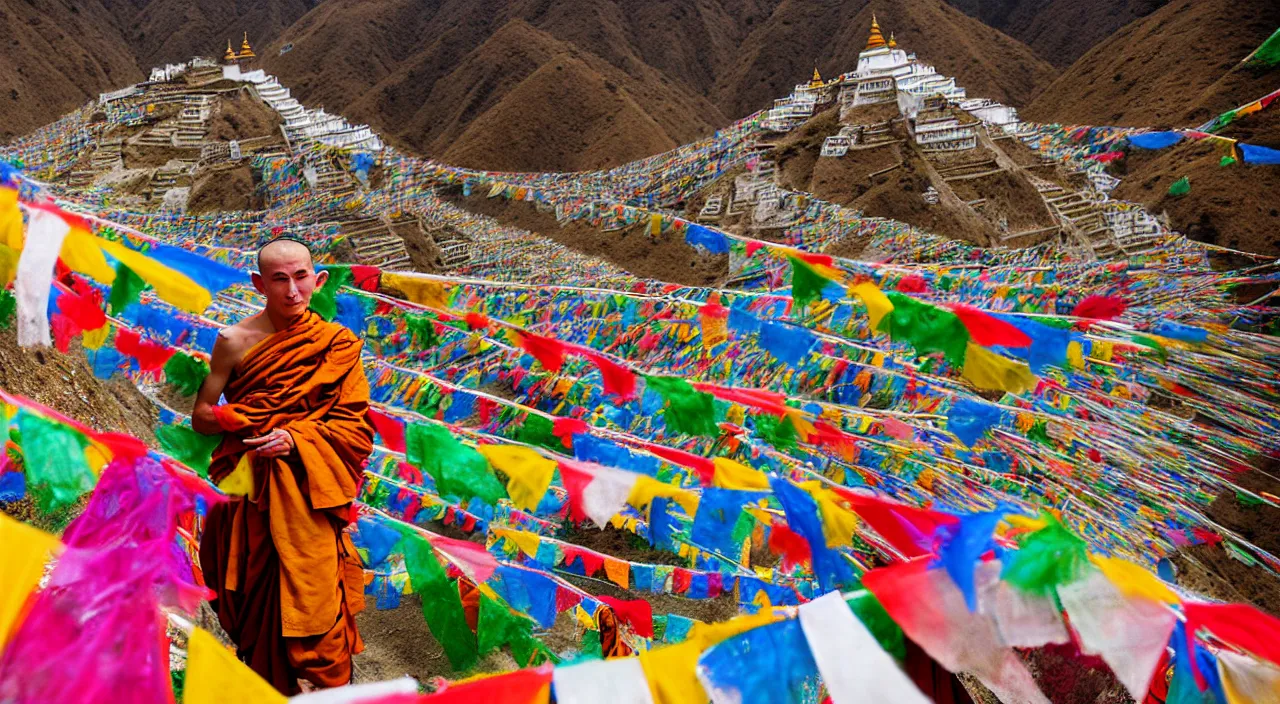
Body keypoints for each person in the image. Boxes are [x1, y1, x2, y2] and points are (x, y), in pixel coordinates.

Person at [194, 238, 374, 694]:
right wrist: (235, 417)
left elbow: (355, 428)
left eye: (300, 277)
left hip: (308, 496)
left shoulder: (337, 345)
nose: (292, 290)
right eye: (279, 279)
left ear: (319, 279)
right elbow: (201, 416)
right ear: (259, 284)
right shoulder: (233, 342)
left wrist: (296, 438)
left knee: (320, 614)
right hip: (249, 494)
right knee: (256, 606)